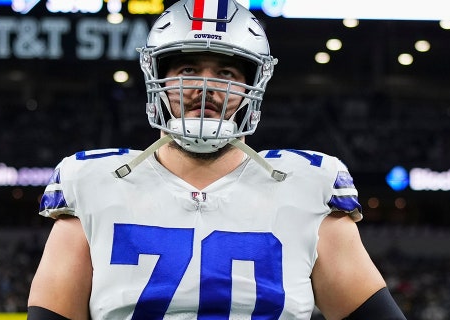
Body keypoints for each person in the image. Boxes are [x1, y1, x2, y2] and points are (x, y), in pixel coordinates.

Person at [27, 0, 407, 319]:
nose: (204, 87)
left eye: (226, 72)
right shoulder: (92, 181)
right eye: (188, 69)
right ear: (157, 78)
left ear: (252, 87)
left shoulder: (309, 185)